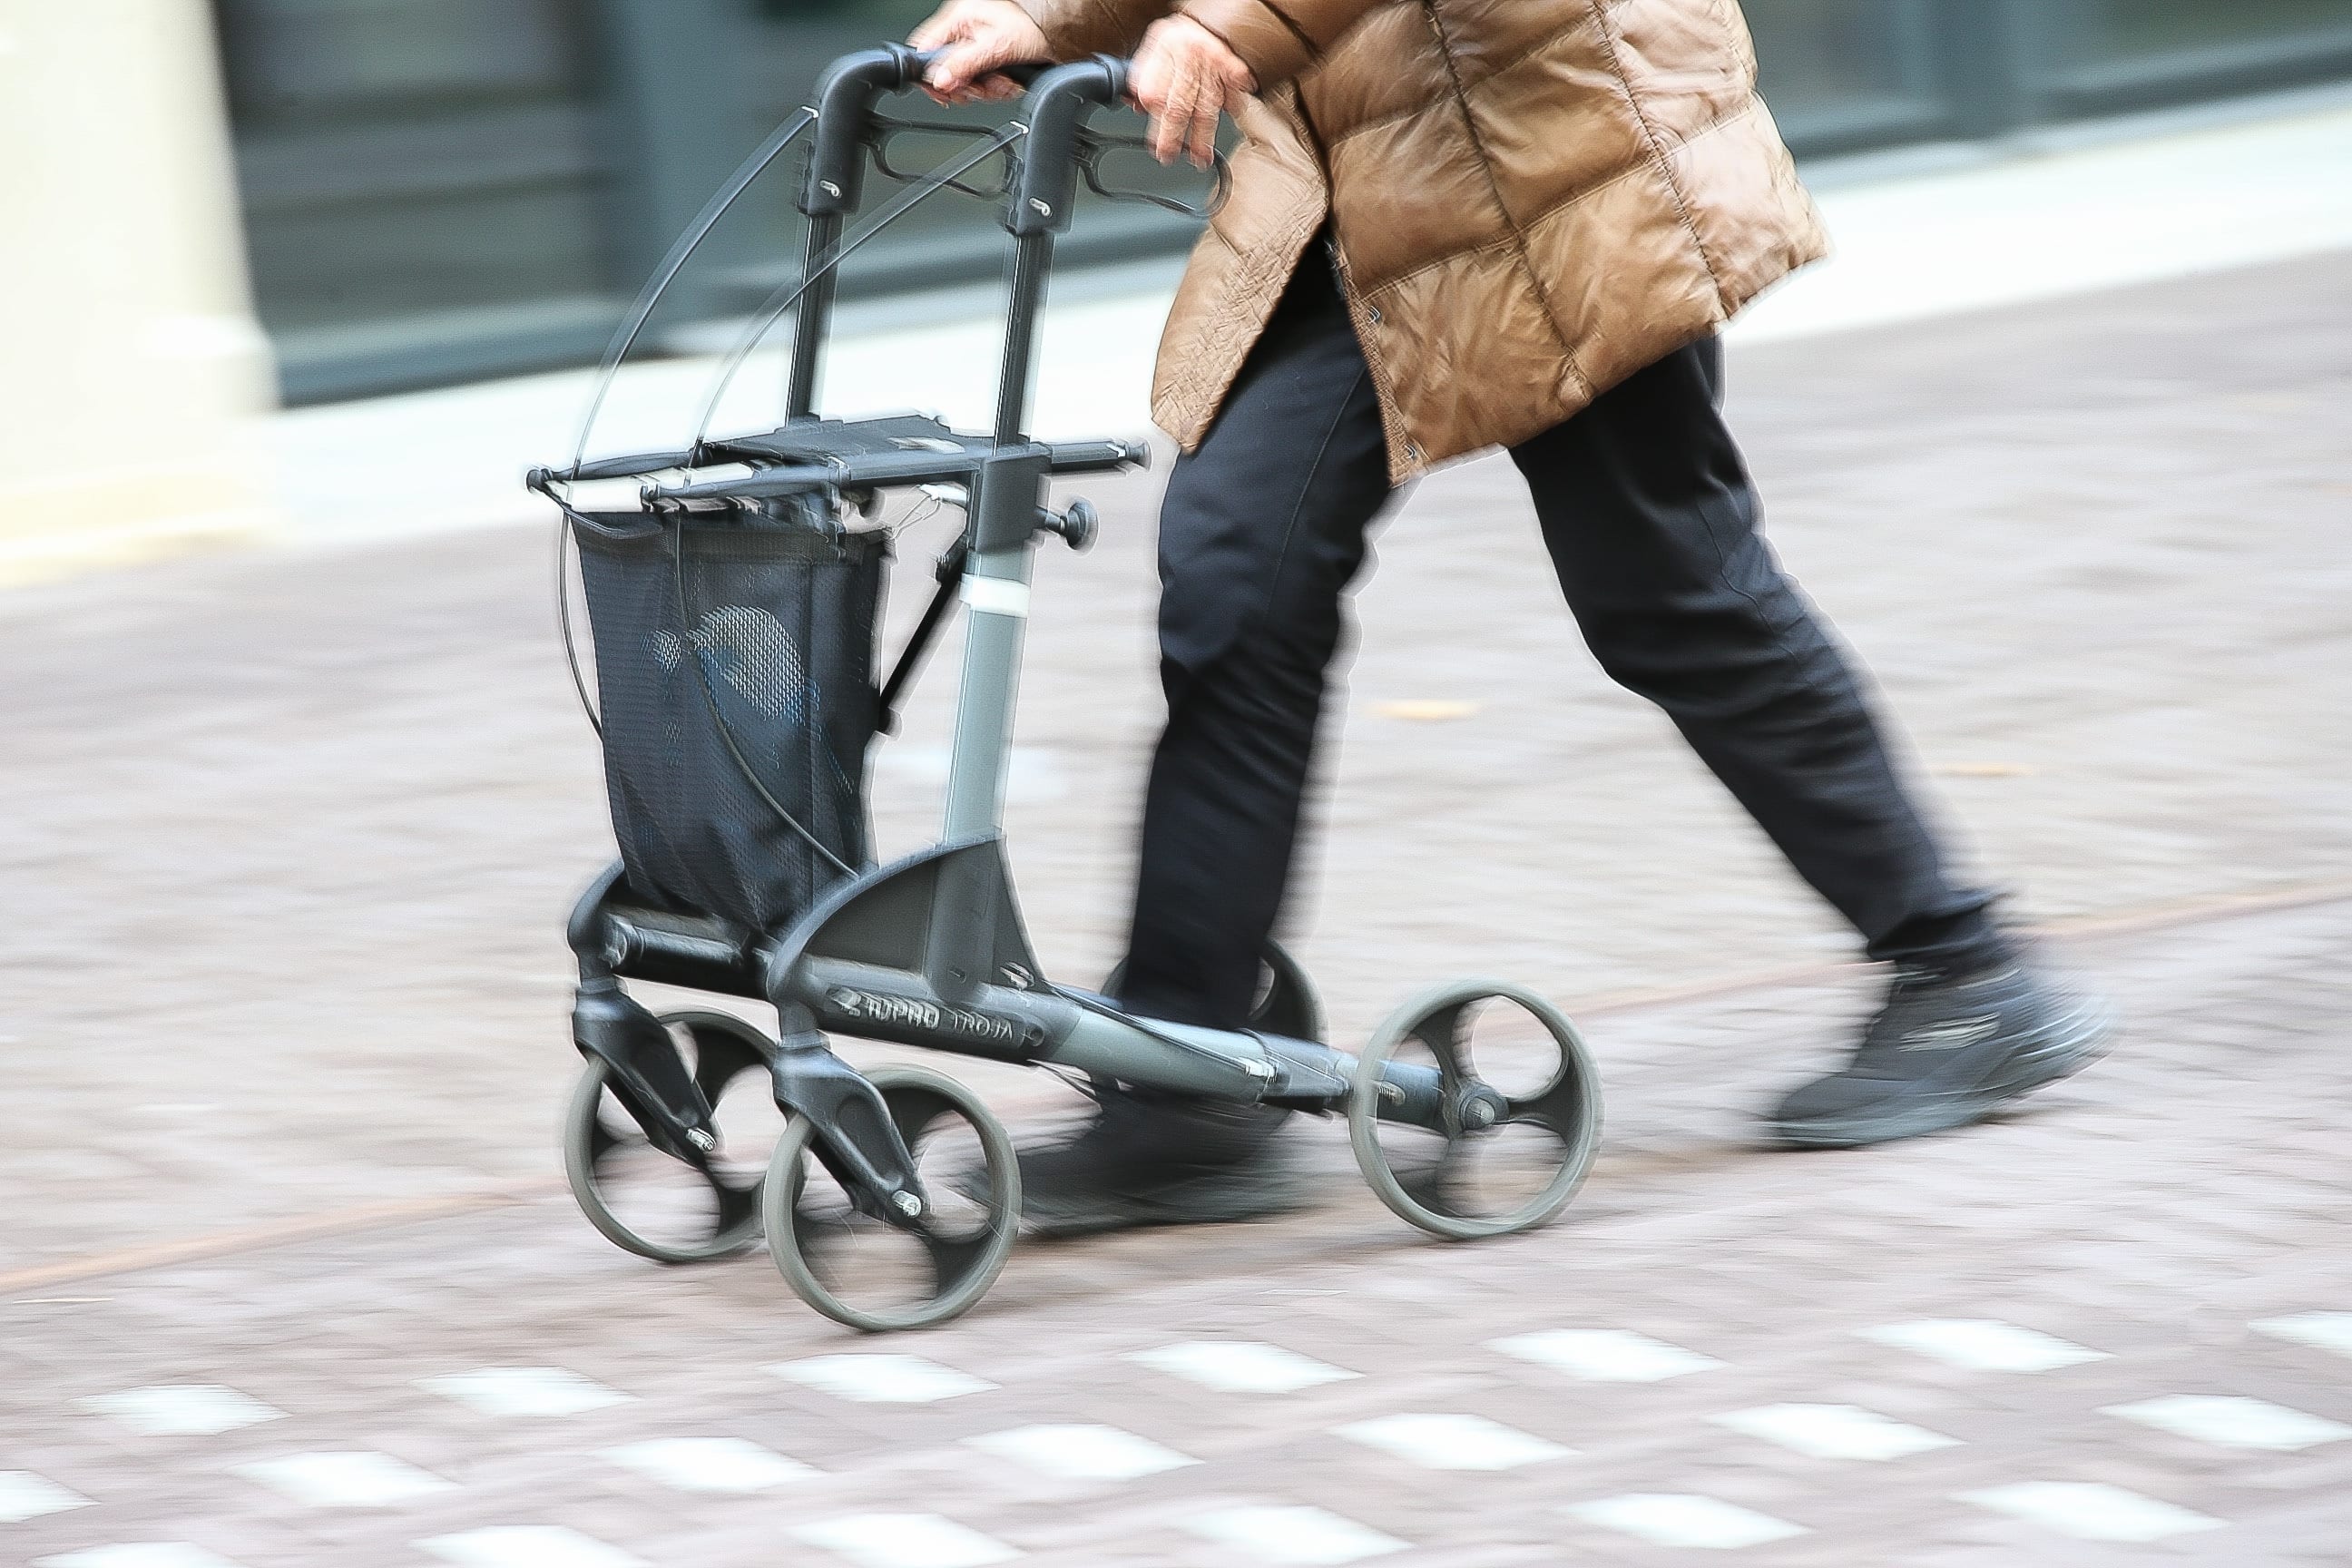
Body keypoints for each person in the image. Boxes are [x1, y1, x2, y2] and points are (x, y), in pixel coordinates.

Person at [914, 0, 2112, 1234]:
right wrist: (1046, 17)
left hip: (1544, 156)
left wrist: (1234, 24)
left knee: (1669, 591)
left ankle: (1967, 978)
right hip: (1352, 189)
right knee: (1235, 587)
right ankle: (1188, 1076)